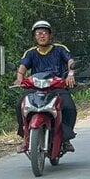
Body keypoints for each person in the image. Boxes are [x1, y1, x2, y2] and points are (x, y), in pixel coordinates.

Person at [13, 21, 77, 153]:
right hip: (36, 88)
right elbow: (22, 68)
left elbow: (70, 61)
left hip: (57, 87)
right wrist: (19, 79)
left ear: (50, 35)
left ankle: (66, 139)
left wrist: (70, 74)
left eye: (44, 33)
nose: (42, 36)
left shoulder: (60, 49)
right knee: (20, 105)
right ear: (34, 37)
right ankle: (25, 138)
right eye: (38, 33)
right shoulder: (30, 53)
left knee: (70, 107)